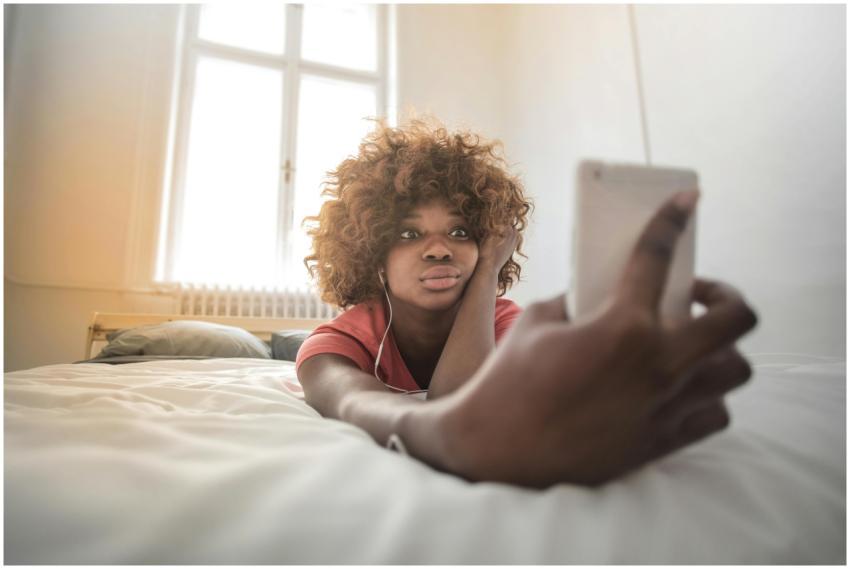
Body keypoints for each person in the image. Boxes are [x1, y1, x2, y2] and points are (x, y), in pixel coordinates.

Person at [297, 118, 758, 489]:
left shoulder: (501, 316)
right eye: (409, 233)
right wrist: (451, 438)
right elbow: (358, 401)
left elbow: (461, 395)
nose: (439, 249)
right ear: (371, 253)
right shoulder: (336, 341)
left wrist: (487, 275)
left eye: (460, 232)